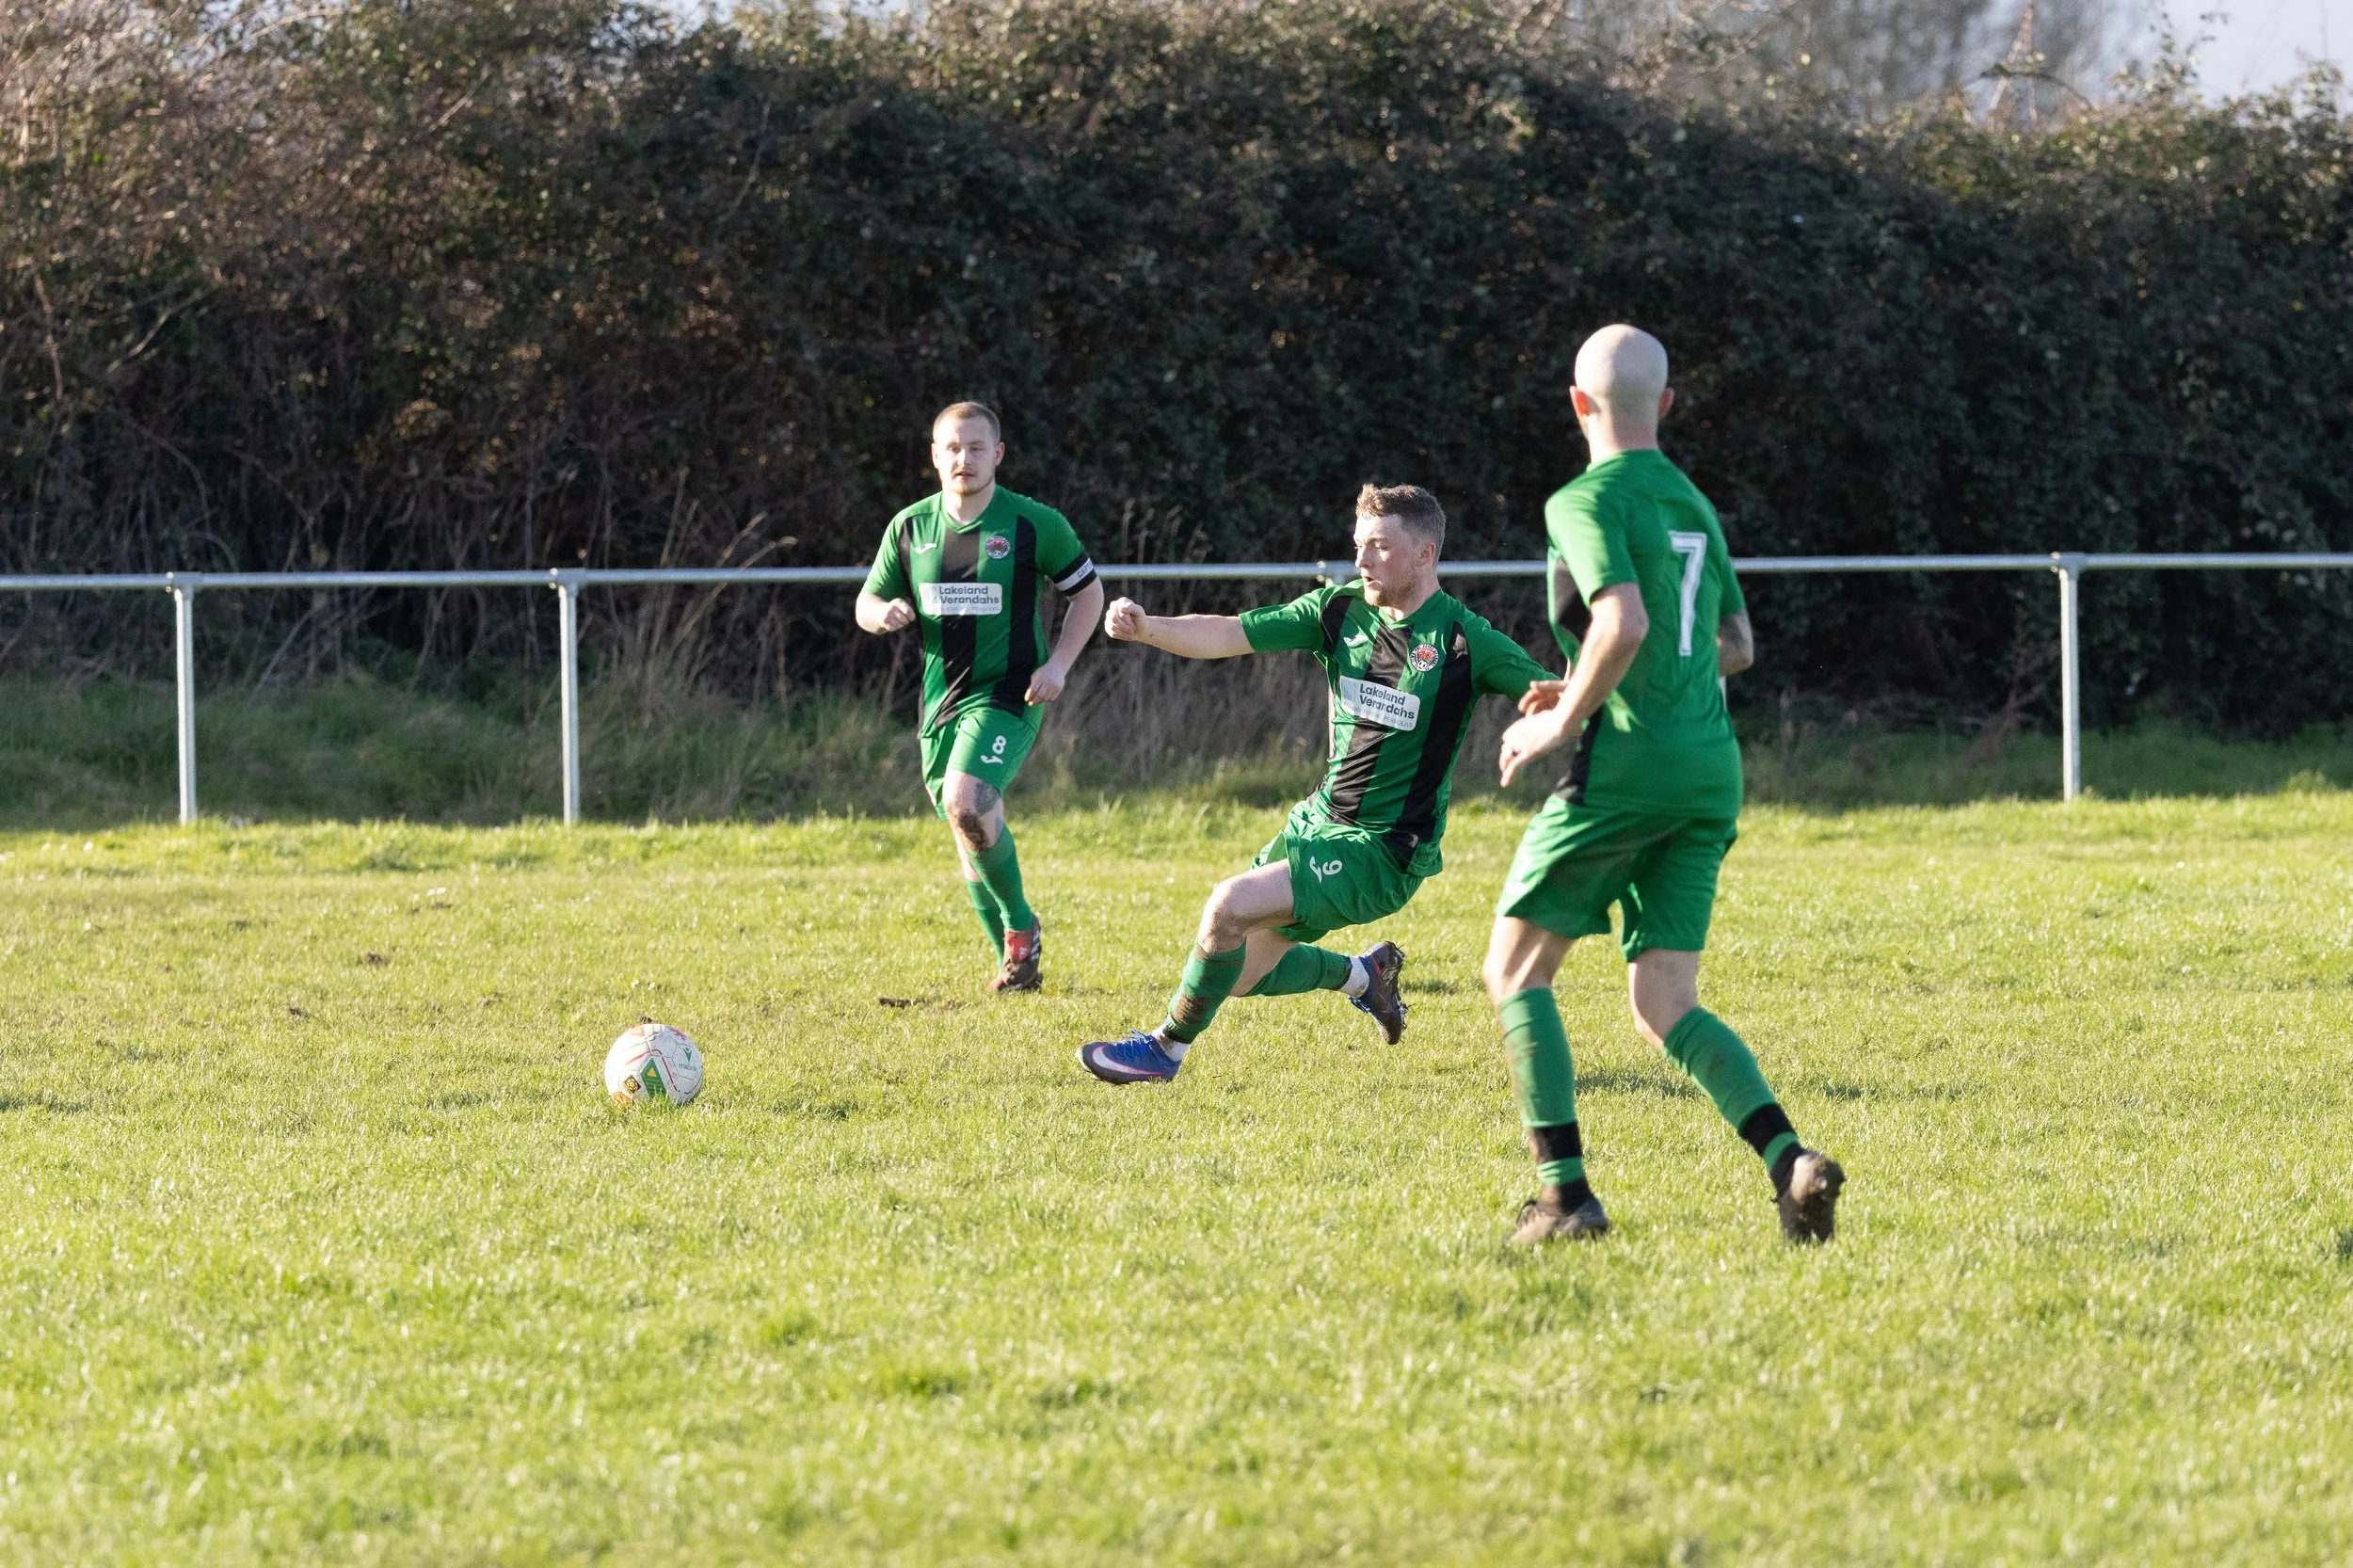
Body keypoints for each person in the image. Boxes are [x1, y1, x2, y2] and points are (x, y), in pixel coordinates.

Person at [1483, 324, 1845, 1245]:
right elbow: (1732, 645)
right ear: (1668, 406)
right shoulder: (1692, 502)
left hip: (1627, 767)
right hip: (1708, 770)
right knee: (1663, 1002)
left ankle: (1564, 1198)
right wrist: (1583, 680)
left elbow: (1626, 620)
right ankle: (1789, 1162)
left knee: (1515, 971)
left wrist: (1558, 722)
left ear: (1575, 405)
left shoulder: (1581, 499)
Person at [1078, 484, 1553, 1084]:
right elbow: (1229, 633)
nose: (1362, 561)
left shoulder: (1464, 640)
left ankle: (1162, 1051)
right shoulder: (1337, 611)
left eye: (1380, 547)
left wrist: (1584, 702)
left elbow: (1554, 698)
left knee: (1227, 906)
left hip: (1385, 850)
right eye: (1359, 546)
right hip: (1318, 821)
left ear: (1425, 554)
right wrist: (1149, 628)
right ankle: (1364, 976)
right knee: (1235, 971)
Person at [856, 402, 1103, 991]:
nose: (963, 458)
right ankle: (1014, 972)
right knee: (968, 830)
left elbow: (1088, 595)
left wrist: (1060, 665)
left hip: (1009, 695)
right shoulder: (910, 527)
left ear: (997, 454)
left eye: (975, 448)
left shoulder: (1033, 524)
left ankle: (1021, 926)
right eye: (952, 448)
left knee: (969, 803)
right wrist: (881, 613)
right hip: (941, 703)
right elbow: (865, 603)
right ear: (935, 456)